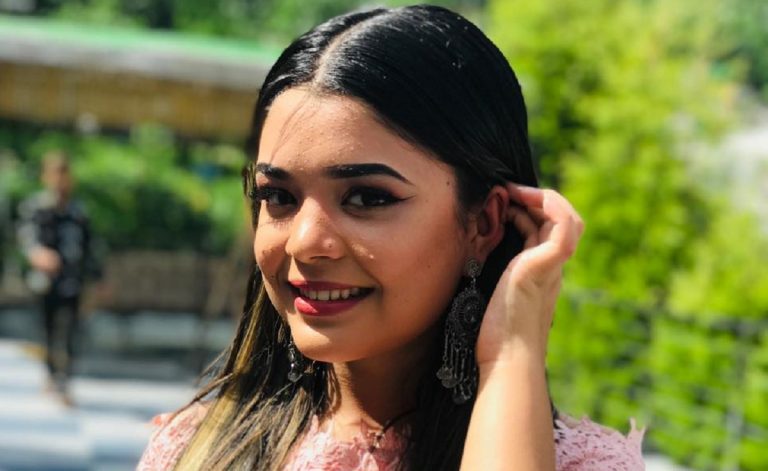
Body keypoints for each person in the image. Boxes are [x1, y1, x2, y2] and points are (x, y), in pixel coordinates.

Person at [138, 5, 644, 470]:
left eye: (366, 198)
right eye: (279, 196)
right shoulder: (192, 451)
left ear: (483, 225)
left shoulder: (582, 466)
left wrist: (511, 355)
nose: (304, 242)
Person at [17, 150, 93, 405]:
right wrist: (38, 254)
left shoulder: (78, 211)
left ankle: (64, 379)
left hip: (72, 281)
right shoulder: (37, 207)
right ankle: (51, 374)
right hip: (45, 281)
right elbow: (27, 237)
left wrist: (98, 278)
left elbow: (90, 246)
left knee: (70, 330)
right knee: (47, 330)